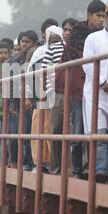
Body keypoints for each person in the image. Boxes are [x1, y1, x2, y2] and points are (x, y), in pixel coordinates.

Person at [55, 0, 106, 178]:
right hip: (78, 88)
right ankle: (77, 171)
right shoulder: (77, 33)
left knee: (98, 129)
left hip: (100, 88)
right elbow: (68, 60)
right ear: (89, 15)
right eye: (98, 16)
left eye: (104, 16)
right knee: (78, 131)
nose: (102, 20)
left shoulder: (105, 35)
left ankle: (96, 171)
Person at [82, 2, 108, 183]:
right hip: (96, 94)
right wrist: (104, 84)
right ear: (106, 18)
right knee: (99, 134)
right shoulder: (94, 38)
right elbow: (88, 64)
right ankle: (99, 171)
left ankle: (105, 172)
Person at [7, 30, 38, 169]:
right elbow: (12, 84)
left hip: (37, 100)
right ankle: (20, 161)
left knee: (34, 132)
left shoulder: (38, 56)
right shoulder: (15, 61)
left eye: (28, 41)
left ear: (34, 43)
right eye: (22, 41)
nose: (25, 44)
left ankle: (33, 162)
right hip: (20, 102)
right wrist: (12, 103)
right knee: (21, 132)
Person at [42, 25, 67, 175]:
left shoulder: (72, 48)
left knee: (72, 129)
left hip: (74, 92)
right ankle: (56, 167)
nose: (53, 39)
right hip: (55, 92)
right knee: (56, 128)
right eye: (50, 37)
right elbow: (45, 71)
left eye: (55, 36)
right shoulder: (50, 49)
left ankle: (71, 167)